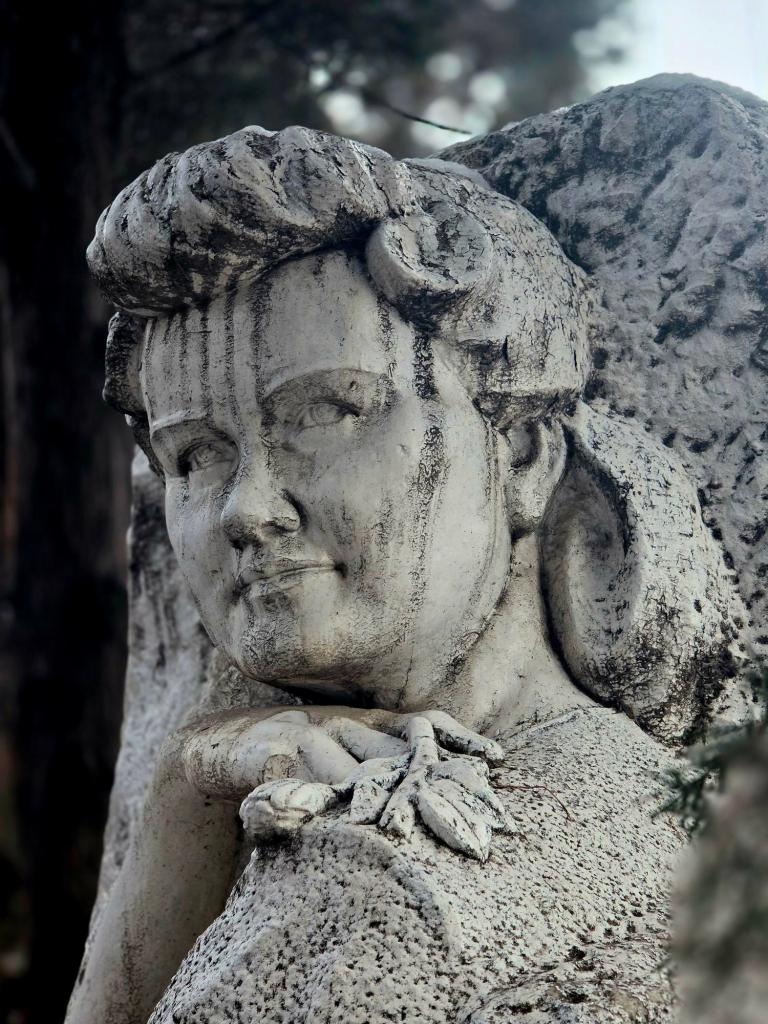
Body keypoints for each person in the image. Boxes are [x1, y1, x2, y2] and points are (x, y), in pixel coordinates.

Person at [66, 126, 741, 1023]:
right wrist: (191, 786)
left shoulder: (374, 879)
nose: (245, 508)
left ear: (523, 453)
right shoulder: (674, 812)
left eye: (327, 411)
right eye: (194, 455)